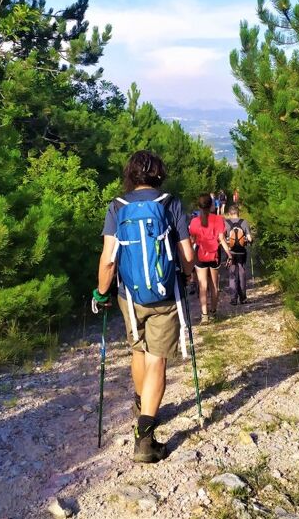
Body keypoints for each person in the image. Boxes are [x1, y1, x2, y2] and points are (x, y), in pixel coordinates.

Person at [93, 150, 195, 464]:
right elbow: (187, 256)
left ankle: (142, 405)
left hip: (129, 295)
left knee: (139, 352)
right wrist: (186, 277)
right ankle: (145, 438)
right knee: (157, 360)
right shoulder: (170, 203)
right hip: (165, 294)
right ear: (159, 173)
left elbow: (108, 259)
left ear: (130, 174)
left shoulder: (117, 206)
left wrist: (100, 293)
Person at [189, 194, 231, 324]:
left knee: (202, 285)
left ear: (199, 206)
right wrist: (229, 254)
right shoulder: (218, 219)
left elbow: (192, 240)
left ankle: (204, 315)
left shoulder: (194, 221)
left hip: (200, 254)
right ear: (212, 205)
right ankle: (213, 312)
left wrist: (187, 256)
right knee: (214, 285)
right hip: (214, 254)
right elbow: (221, 239)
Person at [224, 205, 252, 305]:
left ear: (229, 214)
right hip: (242, 252)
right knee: (242, 273)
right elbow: (249, 238)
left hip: (231, 252)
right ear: (238, 212)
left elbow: (222, 239)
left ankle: (233, 299)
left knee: (232, 274)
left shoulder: (226, 223)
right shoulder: (244, 222)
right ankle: (243, 298)